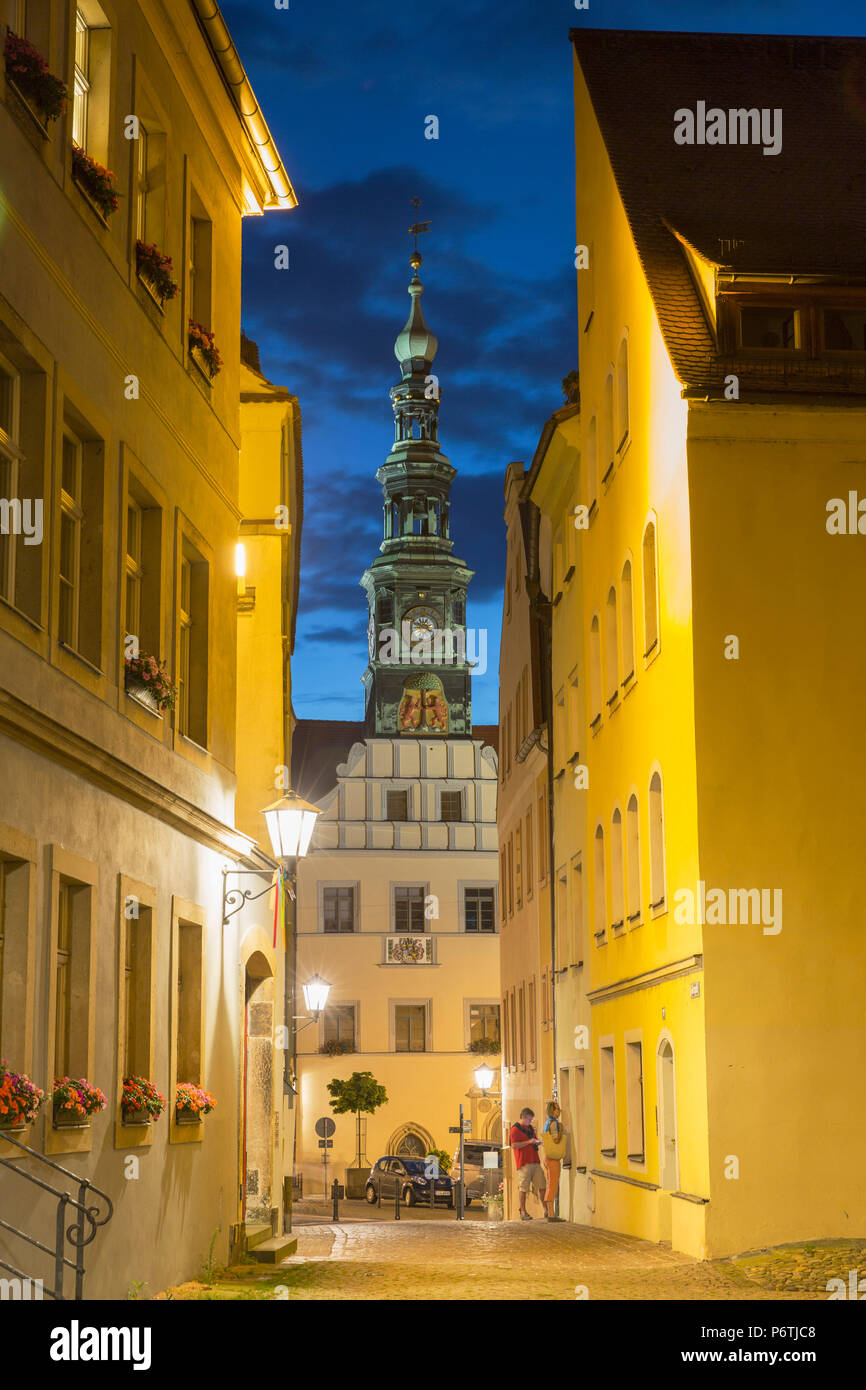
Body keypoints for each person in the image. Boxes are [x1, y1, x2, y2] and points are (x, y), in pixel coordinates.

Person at [509, 1107, 545, 1220]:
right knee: (524, 1188)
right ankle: (523, 1211)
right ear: (523, 1117)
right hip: (524, 1162)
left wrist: (537, 1142)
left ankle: (546, 1210)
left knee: (542, 1185)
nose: (530, 1122)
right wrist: (529, 1142)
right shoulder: (515, 1129)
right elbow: (514, 1145)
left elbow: (533, 1140)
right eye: (529, 1119)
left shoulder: (529, 1128)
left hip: (535, 1160)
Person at [540, 1100, 566, 1222]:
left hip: (547, 1156)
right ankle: (551, 1214)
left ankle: (551, 1212)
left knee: (550, 1183)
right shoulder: (554, 1123)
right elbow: (555, 1140)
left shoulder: (546, 1123)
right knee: (553, 1185)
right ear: (552, 1110)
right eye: (556, 1109)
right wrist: (561, 1130)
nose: (559, 1111)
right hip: (553, 1158)